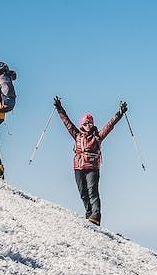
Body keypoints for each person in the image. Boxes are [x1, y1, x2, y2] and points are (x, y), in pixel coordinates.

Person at [53, 96, 127, 226]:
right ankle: (89, 215)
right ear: (82, 124)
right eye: (86, 123)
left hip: (92, 167)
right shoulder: (77, 135)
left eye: (90, 123)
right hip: (78, 167)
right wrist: (60, 108)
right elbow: (67, 123)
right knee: (83, 192)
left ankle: (96, 216)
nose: (88, 125)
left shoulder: (97, 136)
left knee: (92, 192)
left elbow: (110, 125)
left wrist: (119, 113)